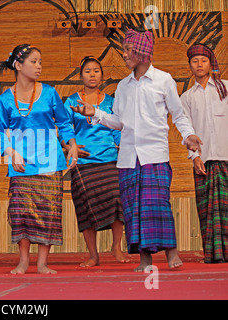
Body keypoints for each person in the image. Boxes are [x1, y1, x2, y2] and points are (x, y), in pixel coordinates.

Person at [72, 29, 203, 271]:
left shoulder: (164, 80)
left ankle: (172, 253)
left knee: (158, 205)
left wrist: (188, 135)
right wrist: (96, 114)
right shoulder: (123, 86)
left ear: (143, 53)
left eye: (127, 50)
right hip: (128, 159)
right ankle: (145, 259)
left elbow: (178, 114)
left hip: (155, 155)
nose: (123, 55)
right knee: (134, 209)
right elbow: (119, 122)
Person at [0, 44, 79, 274]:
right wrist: (11, 153)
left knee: (48, 212)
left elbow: (63, 122)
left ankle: (42, 263)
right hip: (21, 164)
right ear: (18, 66)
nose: (39, 66)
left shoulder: (50, 93)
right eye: (33, 61)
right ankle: (23, 261)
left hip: (50, 161)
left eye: (40, 61)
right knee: (21, 213)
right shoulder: (4, 99)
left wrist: (71, 145)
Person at [62, 56, 128, 267]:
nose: (92, 74)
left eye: (96, 71)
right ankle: (93, 255)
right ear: (81, 75)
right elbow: (64, 129)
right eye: (88, 71)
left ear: (102, 74)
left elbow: (118, 128)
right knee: (85, 206)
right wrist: (68, 147)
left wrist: (121, 147)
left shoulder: (111, 102)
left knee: (118, 202)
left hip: (109, 158)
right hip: (82, 161)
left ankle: (116, 246)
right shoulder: (71, 102)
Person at [180, 44, 228, 263]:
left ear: (211, 64)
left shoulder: (225, 89)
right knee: (207, 211)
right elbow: (186, 131)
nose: (199, 64)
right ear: (189, 65)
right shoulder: (187, 97)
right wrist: (195, 157)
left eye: (203, 60)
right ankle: (214, 254)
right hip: (204, 161)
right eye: (194, 61)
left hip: (226, 156)